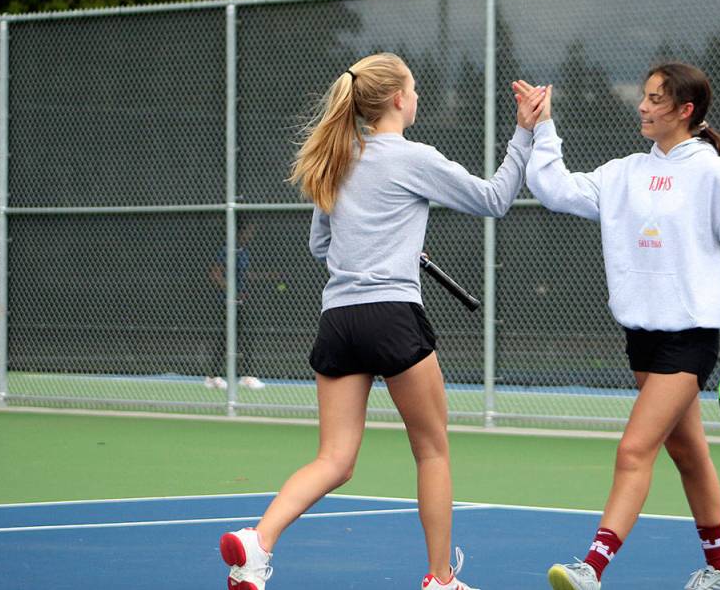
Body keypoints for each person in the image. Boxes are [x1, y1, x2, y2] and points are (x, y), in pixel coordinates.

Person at [218, 52, 545, 590]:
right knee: (432, 449)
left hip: (338, 321)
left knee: (334, 459)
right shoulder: (414, 157)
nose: (416, 96)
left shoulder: (338, 159)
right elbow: (494, 199)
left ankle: (259, 541)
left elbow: (322, 245)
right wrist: (524, 133)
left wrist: (383, 246)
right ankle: (440, 580)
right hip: (392, 316)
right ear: (397, 98)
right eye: (414, 89)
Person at [515, 62, 720, 590]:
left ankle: (591, 568)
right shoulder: (623, 173)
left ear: (685, 111)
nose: (642, 107)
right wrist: (541, 126)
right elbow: (552, 187)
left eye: (655, 100)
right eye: (643, 97)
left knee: (634, 449)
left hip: (690, 339)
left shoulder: (713, 176)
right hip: (641, 338)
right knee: (689, 453)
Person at [204, 222, 266, 391]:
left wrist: (268, 276)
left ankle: (244, 376)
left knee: (245, 336)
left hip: (239, 301)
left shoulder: (243, 252)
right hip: (227, 302)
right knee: (227, 337)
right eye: (248, 232)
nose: (250, 236)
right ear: (239, 232)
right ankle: (213, 377)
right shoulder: (228, 250)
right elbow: (215, 273)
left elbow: (245, 275)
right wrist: (231, 291)